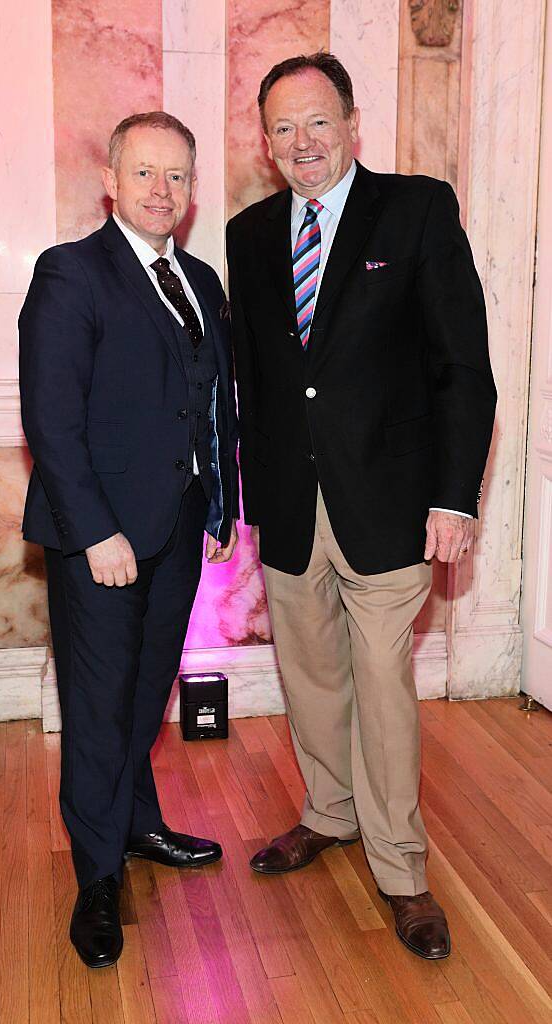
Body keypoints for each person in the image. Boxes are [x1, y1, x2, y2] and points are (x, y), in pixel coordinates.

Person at [226, 53, 496, 960]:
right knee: (310, 678)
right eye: (283, 128)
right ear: (265, 142)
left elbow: (464, 369)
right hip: (292, 505)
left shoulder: (418, 210)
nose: (302, 143)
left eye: (318, 122)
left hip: (391, 504)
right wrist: (242, 490)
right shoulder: (249, 233)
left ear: (351, 123)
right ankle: (329, 814)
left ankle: (403, 872)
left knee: (382, 685)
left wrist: (455, 499)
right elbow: (257, 379)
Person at [19, 112, 239, 968]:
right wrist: (96, 531)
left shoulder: (200, 279)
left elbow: (215, 402)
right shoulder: (70, 274)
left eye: (177, 177)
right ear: (112, 179)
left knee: (148, 692)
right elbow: (53, 420)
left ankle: (139, 824)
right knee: (101, 709)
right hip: (101, 541)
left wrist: (220, 505)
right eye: (145, 174)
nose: (162, 192)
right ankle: (97, 877)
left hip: (180, 530)